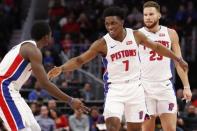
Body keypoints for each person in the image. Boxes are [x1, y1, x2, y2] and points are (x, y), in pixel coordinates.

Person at [47, 7, 188, 131]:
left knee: (136, 129)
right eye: (107, 24)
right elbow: (80, 60)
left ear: (122, 22)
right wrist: (62, 68)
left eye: (113, 23)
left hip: (136, 89)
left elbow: (157, 47)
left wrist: (177, 59)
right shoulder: (102, 43)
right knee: (112, 126)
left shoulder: (136, 35)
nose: (110, 26)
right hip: (115, 89)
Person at [0, 21, 89, 131]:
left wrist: (48, 75)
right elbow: (44, 84)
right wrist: (70, 100)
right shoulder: (34, 51)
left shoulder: (26, 46)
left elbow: (25, 72)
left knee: (35, 128)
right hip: (4, 88)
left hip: (12, 90)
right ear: (47, 36)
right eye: (51, 35)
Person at [138, 1, 192, 131]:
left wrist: (186, 86)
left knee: (170, 129)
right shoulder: (136, 34)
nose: (148, 17)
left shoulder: (171, 33)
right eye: (145, 15)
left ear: (159, 15)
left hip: (165, 87)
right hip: (144, 87)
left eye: (151, 14)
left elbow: (179, 62)